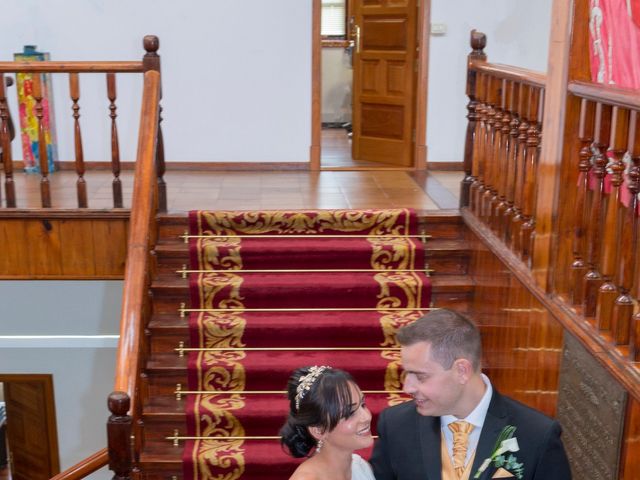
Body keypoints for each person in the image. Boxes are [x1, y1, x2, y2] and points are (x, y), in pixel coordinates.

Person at [370, 309, 571, 480]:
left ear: (462, 370)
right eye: (407, 374)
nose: (408, 387)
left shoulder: (537, 435)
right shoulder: (396, 425)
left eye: (420, 376)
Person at [281, 366, 376, 480]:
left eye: (363, 404)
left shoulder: (360, 467)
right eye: (349, 413)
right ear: (319, 430)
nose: (366, 417)